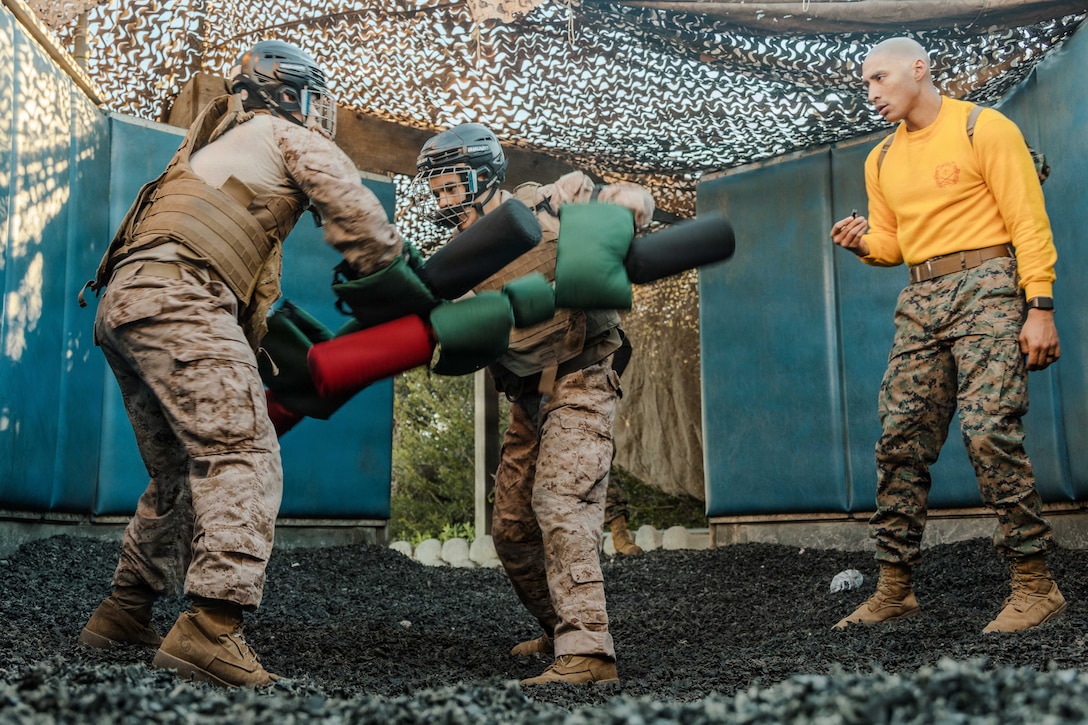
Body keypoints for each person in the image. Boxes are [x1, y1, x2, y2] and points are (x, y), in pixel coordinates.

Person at [76, 39, 403, 687]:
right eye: (309, 97)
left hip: (125, 303)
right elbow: (355, 208)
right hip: (185, 296)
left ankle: (124, 609)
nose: (314, 110)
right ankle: (210, 628)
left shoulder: (203, 146)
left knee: (177, 470)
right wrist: (401, 281)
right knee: (243, 452)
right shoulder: (284, 133)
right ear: (287, 94)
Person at [829, 37, 1065, 633]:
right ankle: (894, 588)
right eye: (865, 84)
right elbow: (895, 244)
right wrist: (863, 245)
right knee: (900, 440)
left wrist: (1039, 306)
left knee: (988, 429)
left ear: (919, 68)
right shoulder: (879, 159)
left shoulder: (983, 128)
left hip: (988, 284)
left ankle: (1036, 586)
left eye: (880, 78)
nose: (872, 93)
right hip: (920, 298)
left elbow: (1028, 222)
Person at [414, 122, 654, 685]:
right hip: (527, 395)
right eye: (439, 190)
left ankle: (589, 652)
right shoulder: (455, 256)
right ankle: (560, 628)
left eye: (456, 185)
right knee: (513, 529)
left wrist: (625, 201)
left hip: (582, 377)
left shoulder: (541, 205)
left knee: (560, 497)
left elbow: (626, 203)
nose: (446, 199)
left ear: (487, 175)